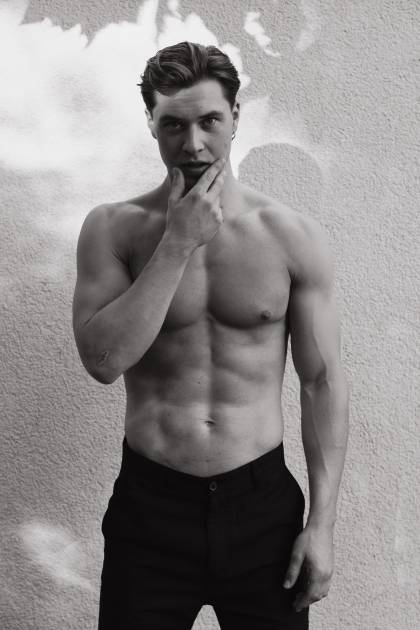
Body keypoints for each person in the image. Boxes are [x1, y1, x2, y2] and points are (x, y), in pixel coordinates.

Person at [72, 41, 349, 630]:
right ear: (151, 122)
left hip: (262, 510)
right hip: (151, 509)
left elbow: (321, 382)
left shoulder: (291, 236)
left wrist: (322, 526)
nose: (193, 144)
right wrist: (178, 242)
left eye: (209, 121)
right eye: (173, 124)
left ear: (236, 117)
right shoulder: (113, 229)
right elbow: (103, 360)